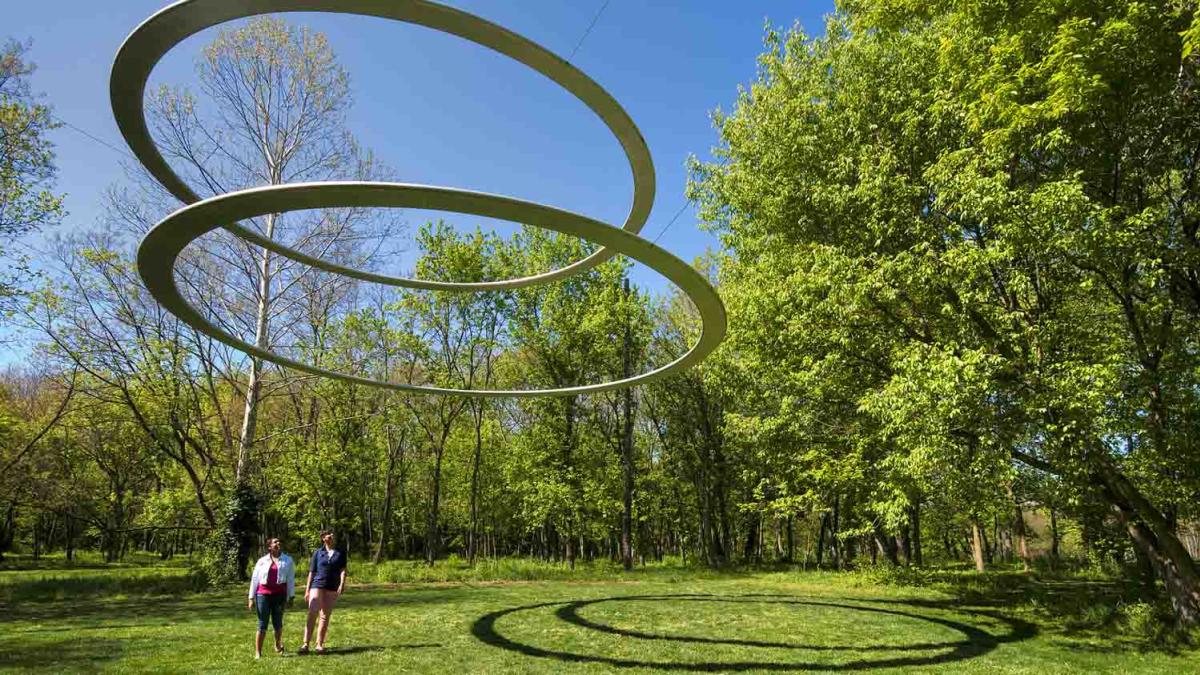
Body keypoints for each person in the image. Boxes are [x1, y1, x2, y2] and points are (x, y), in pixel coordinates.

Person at [299, 530, 348, 654]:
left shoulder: (340, 552)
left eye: (333, 535)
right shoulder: (318, 553)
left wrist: (342, 584)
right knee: (312, 612)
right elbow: (312, 572)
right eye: (329, 535)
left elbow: (343, 569)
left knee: (325, 616)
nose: (331, 536)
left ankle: (319, 644)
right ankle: (305, 644)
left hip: (332, 586)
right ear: (323, 538)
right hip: (317, 584)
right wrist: (307, 590)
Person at [247, 537, 296, 659]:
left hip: (279, 596)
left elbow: (290, 580)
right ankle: (258, 652)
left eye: (279, 542)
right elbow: (255, 579)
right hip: (262, 595)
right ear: (269, 547)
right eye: (275, 542)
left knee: (277, 623)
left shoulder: (288, 560)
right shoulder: (262, 561)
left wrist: (291, 597)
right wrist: (251, 597)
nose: (278, 543)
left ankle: (277, 644)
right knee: (262, 623)